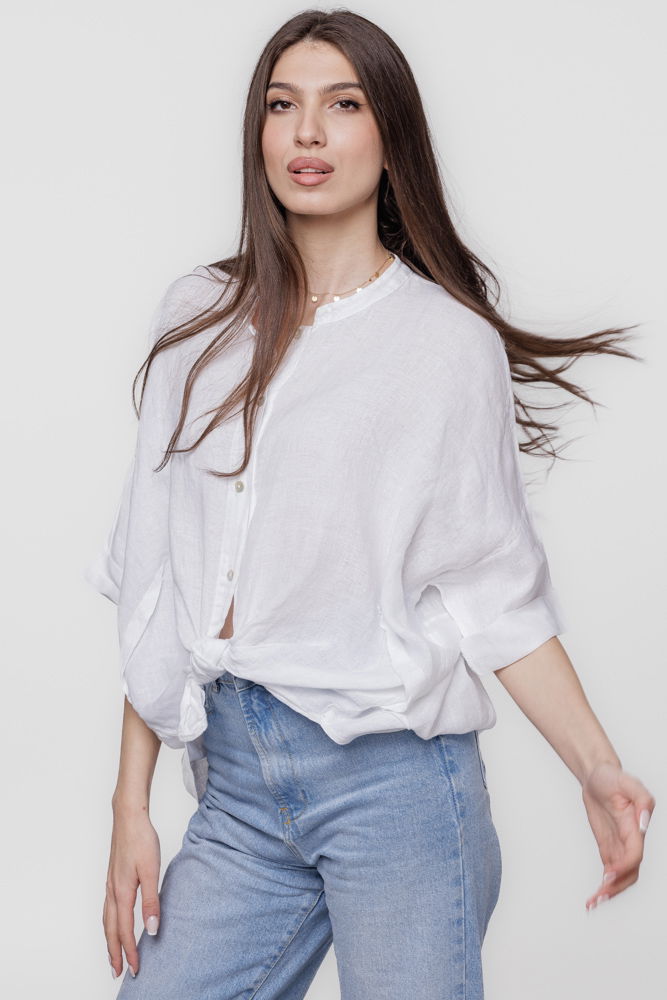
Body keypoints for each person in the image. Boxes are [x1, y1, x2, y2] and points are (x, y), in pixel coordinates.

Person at [84, 9, 655, 999]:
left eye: (342, 105)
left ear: (390, 137)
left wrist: (596, 767)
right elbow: (155, 577)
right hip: (240, 789)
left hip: (396, 794)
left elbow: (492, 594)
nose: (307, 132)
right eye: (282, 105)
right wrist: (129, 806)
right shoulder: (196, 319)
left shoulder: (445, 346)